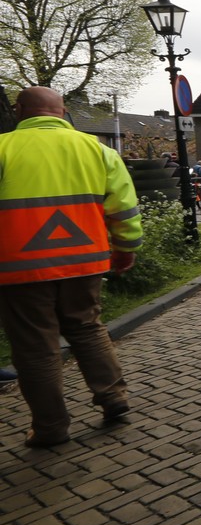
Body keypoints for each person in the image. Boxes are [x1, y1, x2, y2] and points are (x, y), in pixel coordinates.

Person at [0, 86, 143, 447]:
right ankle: (113, 396)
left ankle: (50, 427)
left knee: (36, 347)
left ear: (19, 110)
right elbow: (124, 208)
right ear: (63, 112)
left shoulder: (2, 149)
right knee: (87, 328)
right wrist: (125, 249)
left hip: (20, 268)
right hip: (85, 261)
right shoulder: (98, 150)